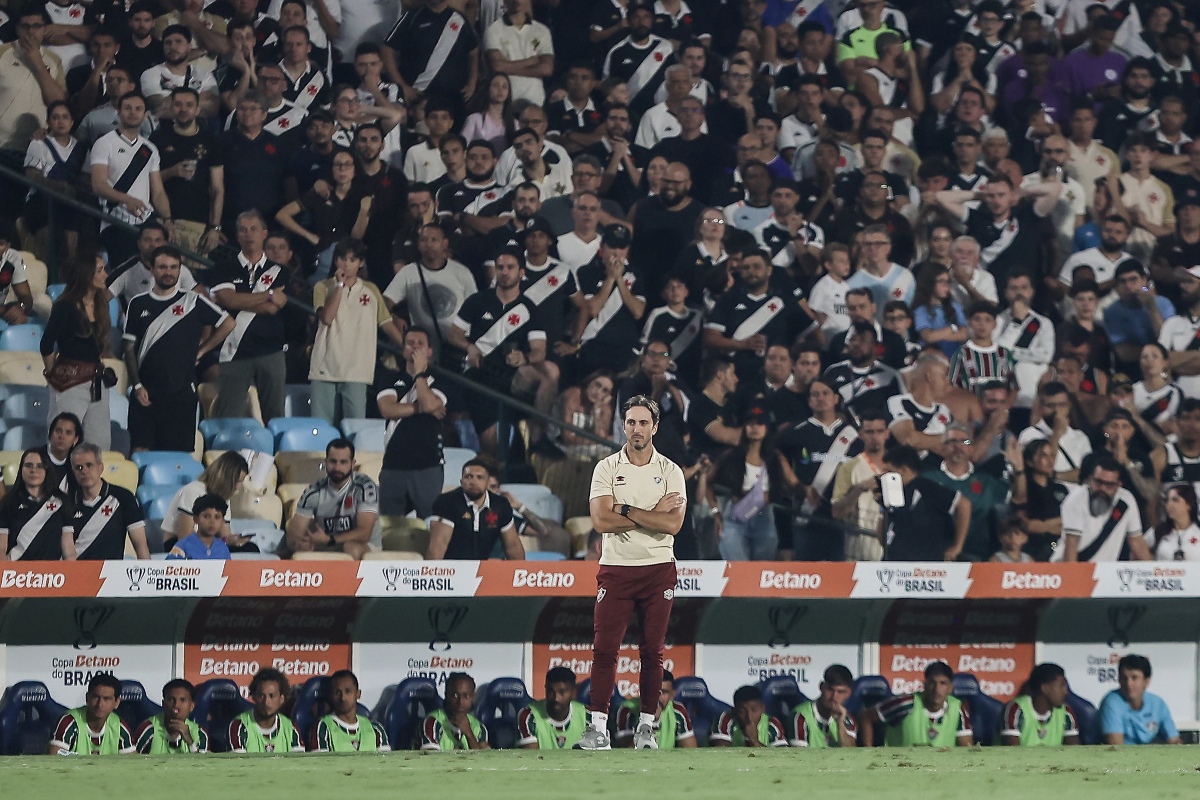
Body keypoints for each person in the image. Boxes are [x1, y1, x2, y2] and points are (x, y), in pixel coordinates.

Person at [579, 395, 686, 750]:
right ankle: (597, 728)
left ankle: (646, 729)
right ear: (622, 425)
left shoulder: (671, 471)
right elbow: (600, 520)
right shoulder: (606, 467)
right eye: (630, 422)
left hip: (658, 569)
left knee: (652, 651)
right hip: (616, 568)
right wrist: (649, 511)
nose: (636, 429)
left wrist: (626, 508)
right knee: (604, 649)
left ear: (655, 427)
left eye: (643, 423)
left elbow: (672, 525)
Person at [448, 249, 560, 452]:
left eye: (510, 267)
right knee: (491, 442)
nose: (504, 272)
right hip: (479, 372)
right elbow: (454, 334)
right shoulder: (478, 300)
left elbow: (539, 351)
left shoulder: (529, 308)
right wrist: (469, 347)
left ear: (521, 272)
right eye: (500, 267)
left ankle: (537, 437)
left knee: (550, 371)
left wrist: (524, 357)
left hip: (512, 376)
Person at [123, 245, 232, 452]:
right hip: (145, 394)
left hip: (181, 396)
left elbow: (228, 323)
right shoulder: (138, 303)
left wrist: (201, 351)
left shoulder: (193, 301)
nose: (169, 272)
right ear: (152, 270)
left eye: (174, 267)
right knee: (140, 455)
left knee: (177, 458)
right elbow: (128, 348)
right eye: (163, 267)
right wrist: (137, 386)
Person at [309, 238, 402, 425]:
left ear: (360, 263)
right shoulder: (322, 287)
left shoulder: (371, 290)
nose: (346, 264)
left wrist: (406, 348)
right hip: (325, 368)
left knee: (356, 430)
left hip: (358, 371)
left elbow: (387, 324)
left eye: (352, 260)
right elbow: (327, 318)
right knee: (322, 428)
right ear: (336, 261)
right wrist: (339, 287)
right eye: (342, 258)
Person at [210, 210, 289, 422]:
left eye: (253, 229)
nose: (248, 234)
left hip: (271, 352)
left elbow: (272, 309)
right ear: (237, 236)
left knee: (275, 418)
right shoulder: (224, 267)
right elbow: (228, 300)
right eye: (243, 230)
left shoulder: (280, 271)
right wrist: (269, 294)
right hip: (234, 351)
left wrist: (240, 300)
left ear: (264, 233)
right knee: (228, 418)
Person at [89, 91, 172, 267]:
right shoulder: (104, 143)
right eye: (127, 108)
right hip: (115, 221)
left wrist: (167, 219)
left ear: (145, 114)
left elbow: (157, 192)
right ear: (118, 112)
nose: (133, 112)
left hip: (145, 222)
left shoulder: (150, 148)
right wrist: (128, 200)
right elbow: (98, 185)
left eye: (138, 109)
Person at [40, 255, 113, 451]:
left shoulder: (101, 304)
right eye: (100, 270)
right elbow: (46, 344)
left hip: (97, 382)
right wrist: (51, 373)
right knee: (63, 442)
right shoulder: (65, 306)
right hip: (70, 382)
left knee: (99, 443)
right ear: (86, 275)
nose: (105, 274)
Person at [377, 326, 448, 518]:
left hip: (428, 464)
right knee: (389, 526)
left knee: (429, 522)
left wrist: (419, 374)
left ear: (429, 351)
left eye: (420, 344)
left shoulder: (440, 380)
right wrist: (421, 409)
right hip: (394, 463)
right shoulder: (389, 378)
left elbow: (430, 403)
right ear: (403, 349)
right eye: (410, 343)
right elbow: (387, 409)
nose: (415, 347)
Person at [276, 149, 371, 284]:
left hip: (349, 258)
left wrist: (364, 211)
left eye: (347, 165)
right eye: (338, 164)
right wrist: (309, 236)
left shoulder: (362, 197)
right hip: (321, 256)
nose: (342, 169)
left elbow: (356, 236)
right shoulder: (320, 193)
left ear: (355, 170)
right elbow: (282, 215)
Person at [284, 438, 381, 560]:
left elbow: (364, 533)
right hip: (327, 545)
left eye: (343, 462)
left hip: (365, 547)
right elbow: (294, 535)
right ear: (326, 462)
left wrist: (330, 540)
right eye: (333, 461)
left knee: (351, 548)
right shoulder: (313, 492)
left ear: (353, 464)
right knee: (300, 550)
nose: (337, 467)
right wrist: (299, 543)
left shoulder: (365, 488)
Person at [709, 410, 783, 561]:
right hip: (735, 518)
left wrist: (807, 490)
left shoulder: (775, 458)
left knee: (762, 574)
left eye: (760, 424)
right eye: (750, 424)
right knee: (738, 572)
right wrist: (716, 512)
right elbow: (707, 481)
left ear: (767, 428)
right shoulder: (731, 456)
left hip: (764, 517)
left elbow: (793, 483)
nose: (754, 428)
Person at [879, 444, 970, 562]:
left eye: (889, 472)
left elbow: (964, 504)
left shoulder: (924, 486)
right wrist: (882, 506)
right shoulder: (895, 494)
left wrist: (957, 546)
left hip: (925, 565)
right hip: (895, 562)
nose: (884, 476)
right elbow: (882, 538)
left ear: (903, 470)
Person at [1055, 454, 1152, 563]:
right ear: (1091, 479)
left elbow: (1137, 543)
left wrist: (1156, 575)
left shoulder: (1126, 500)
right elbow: (1071, 548)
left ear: (1118, 485)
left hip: (1104, 571)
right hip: (1071, 568)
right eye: (1098, 482)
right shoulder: (1075, 501)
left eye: (1109, 485)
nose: (1102, 489)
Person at [427, 458, 523, 560]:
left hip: (485, 569)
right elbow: (438, 545)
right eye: (469, 477)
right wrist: (434, 575)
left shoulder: (500, 505)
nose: (474, 482)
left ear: (487, 482)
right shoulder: (447, 502)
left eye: (480, 477)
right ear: (461, 481)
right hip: (453, 569)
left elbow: (512, 546)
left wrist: (521, 572)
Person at [862, 661, 974, 747]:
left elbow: (966, 747)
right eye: (932, 682)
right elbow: (866, 717)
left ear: (950, 688)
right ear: (924, 685)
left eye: (943, 683)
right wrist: (868, 752)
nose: (936, 689)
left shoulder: (958, 708)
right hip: (900, 768)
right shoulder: (905, 703)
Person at [68, 443, 149, 560]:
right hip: (76, 573)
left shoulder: (124, 498)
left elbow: (141, 546)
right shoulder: (67, 502)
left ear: (100, 468)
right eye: (79, 467)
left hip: (112, 574)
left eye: (89, 465)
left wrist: (146, 575)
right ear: (73, 472)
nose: (84, 471)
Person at [162, 451, 250, 547]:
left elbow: (224, 537)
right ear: (227, 479)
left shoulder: (224, 497)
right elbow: (184, 536)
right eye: (238, 481)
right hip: (177, 545)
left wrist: (231, 540)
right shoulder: (194, 490)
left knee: (250, 548)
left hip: (207, 543)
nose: (239, 487)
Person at [0, 447, 73, 561]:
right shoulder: (7, 503)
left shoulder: (62, 502)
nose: (33, 470)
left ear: (47, 470)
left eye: (39, 466)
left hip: (53, 575)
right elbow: (1, 549)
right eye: (28, 465)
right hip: (18, 575)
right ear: (21, 469)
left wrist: (71, 574)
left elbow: (68, 550)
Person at [1018, 382, 1093, 484]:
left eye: (1062, 405)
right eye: (1050, 406)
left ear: (1069, 406)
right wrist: (1056, 434)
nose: (1057, 411)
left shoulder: (1080, 437)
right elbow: (1040, 472)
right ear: (1041, 407)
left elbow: (1087, 474)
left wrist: (1055, 475)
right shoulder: (1029, 435)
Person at [1099, 655, 1182, 745]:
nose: (1128, 683)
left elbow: (1174, 740)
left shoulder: (1158, 704)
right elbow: (1116, 746)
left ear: (1146, 681)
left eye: (1134, 678)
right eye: (1124, 678)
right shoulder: (1111, 702)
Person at [48, 674, 134, 755]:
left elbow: (133, 763)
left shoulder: (119, 727)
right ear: (87, 698)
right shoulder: (68, 721)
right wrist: (84, 760)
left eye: (106, 699)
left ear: (116, 702)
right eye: (96, 697)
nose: (100, 704)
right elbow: (55, 755)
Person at [1000, 663, 1080, 746]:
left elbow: (1075, 751)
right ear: (1045, 688)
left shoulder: (1066, 713)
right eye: (1061, 686)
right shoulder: (1015, 710)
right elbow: (1012, 753)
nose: (1066, 692)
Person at [614, 670, 696, 749]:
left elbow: (690, 752)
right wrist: (649, 722)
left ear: (672, 695)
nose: (657, 698)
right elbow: (625, 752)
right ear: (643, 691)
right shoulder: (628, 710)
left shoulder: (678, 712)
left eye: (663, 692)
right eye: (653, 691)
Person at [229, 667, 304, 753]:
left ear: (281, 699)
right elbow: (238, 764)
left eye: (272, 696)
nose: (266, 702)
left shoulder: (291, 729)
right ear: (253, 697)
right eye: (261, 696)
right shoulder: (239, 726)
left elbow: (298, 764)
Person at [313, 670, 389, 752]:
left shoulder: (376, 729)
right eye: (337, 692)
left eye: (348, 691)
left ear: (358, 694)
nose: (343, 698)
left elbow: (386, 763)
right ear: (331, 696)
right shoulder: (323, 727)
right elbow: (319, 763)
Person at [516, 666, 588, 750]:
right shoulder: (528, 716)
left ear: (573, 692)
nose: (556, 698)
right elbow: (531, 760)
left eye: (562, 692)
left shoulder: (587, 716)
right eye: (551, 691)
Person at [552, 371, 616, 461]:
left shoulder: (604, 408)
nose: (598, 392)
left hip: (584, 447)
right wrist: (597, 439)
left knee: (608, 454)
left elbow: (601, 436)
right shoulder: (573, 395)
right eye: (597, 385)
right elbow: (567, 437)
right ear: (589, 382)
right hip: (559, 445)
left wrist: (596, 411)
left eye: (604, 391)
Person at [133, 679, 209, 755]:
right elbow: (132, 760)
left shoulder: (199, 733)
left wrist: (190, 742)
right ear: (163, 703)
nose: (176, 706)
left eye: (182, 700)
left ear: (192, 706)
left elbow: (204, 765)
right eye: (171, 700)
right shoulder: (148, 728)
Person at [790, 664, 857, 748]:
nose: (834, 697)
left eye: (840, 692)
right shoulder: (800, 716)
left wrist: (840, 723)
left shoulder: (847, 719)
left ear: (848, 694)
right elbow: (798, 756)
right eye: (830, 690)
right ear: (821, 687)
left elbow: (850, 753)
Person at [911, 265, 967, 360]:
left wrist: (938, 335)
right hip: (931, 359)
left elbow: (964, 334)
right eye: (941, 281)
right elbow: (928, 337)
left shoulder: (955, 307)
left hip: (954, 359)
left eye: (948, 282)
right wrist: (952, 328)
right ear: (930, 283)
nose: (946, 286)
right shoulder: (921, 309)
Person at [709, 685, 788, 747]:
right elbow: (722, 753)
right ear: (734, 710)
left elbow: (780, 759)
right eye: (742, 711)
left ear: (763, 709)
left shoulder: (772, 724)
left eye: (754, 710)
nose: (749, 716)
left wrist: (754, 740)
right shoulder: (725, 719)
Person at [167, 494, 233, 560]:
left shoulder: (223, 549)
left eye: (217, 517)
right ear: (196, 519)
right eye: (207, 516)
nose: (212, 522)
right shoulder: (182, 547)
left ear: (222, 521)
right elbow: (170, 568)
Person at [1148, 483, 1200, 561]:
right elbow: (1139, 551)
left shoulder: (1198, 530)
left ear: (1188, 505)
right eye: (1167, 500)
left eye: (1175, 500)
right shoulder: (1158, 531)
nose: (1169, 504)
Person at [45, 412, 82, 494]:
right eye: (58, 431)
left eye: (68, 433)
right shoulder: (36, 457)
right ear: (50, 434)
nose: (62, 436)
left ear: (75, 439)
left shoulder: (77, 462)